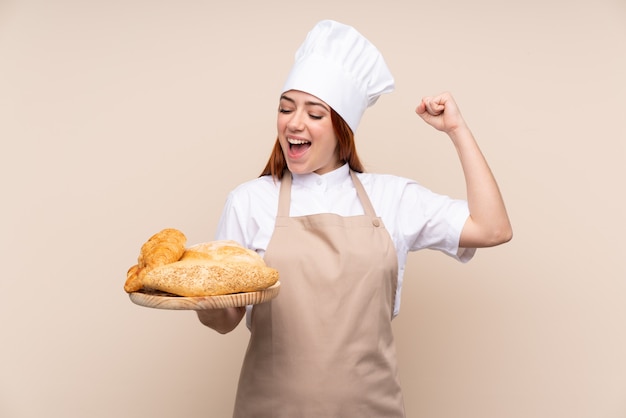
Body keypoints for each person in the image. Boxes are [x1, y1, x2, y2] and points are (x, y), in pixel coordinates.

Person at [196, 19, 512, 417]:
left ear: (342, 127)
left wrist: (457, 130)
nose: (294, 123)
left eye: (315, 114)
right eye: (285, 108)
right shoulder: (249, 201)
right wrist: (204, 300)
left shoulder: (391, 197)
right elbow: (226, 320)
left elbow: (493, 228)